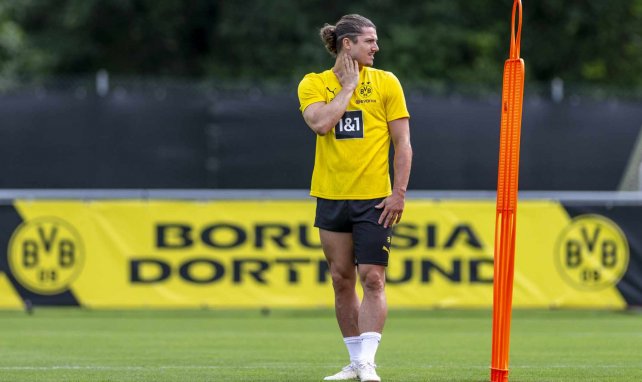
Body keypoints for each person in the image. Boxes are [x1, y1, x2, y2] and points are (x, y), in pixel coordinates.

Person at [297, 14, 412, 382]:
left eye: (375, 41)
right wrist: (347, 88)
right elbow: (321, 124)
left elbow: (403, 144)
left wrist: (399, 193)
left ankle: (367, 363)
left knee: (373, 278)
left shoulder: (387, 82)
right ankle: (354, 361)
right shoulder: (313, 83)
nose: (376, 47)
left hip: (374, 200)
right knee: (341, 279)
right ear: (347, 44)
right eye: (369, 41)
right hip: (331, 197)